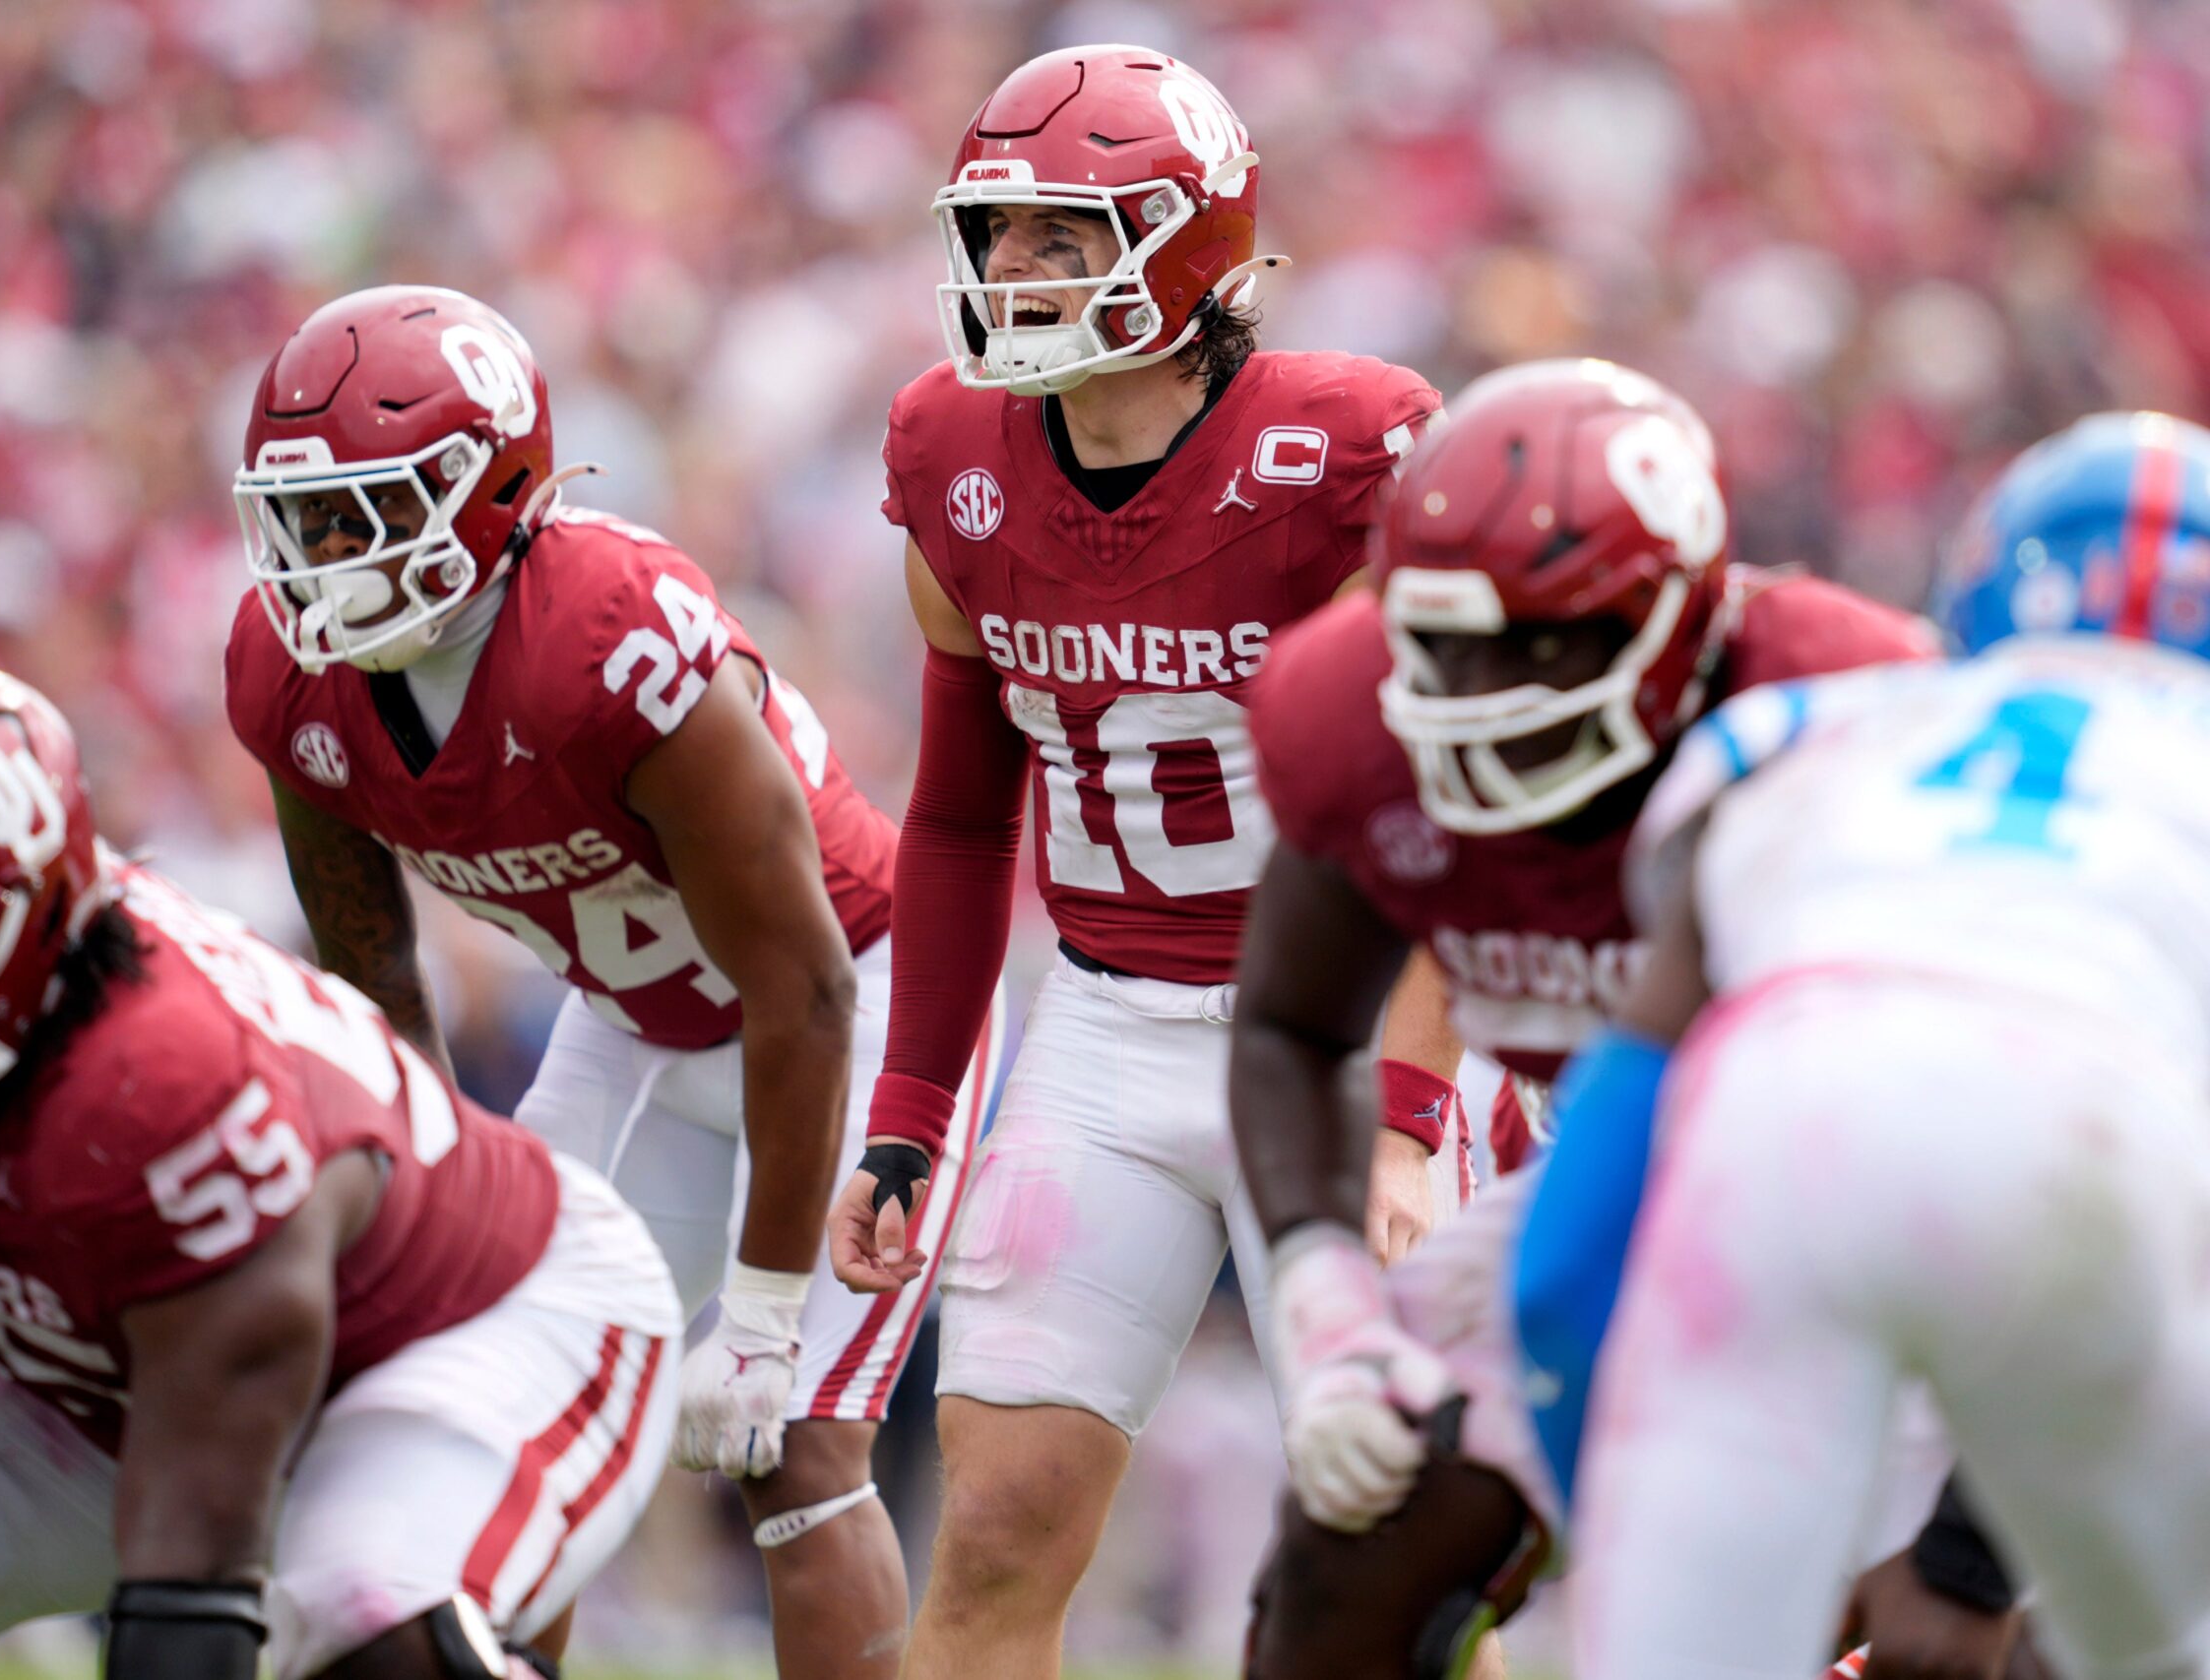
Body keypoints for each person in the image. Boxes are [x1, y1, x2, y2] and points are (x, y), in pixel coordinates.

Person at [221, 284, 990, 1680]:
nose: (326, 556)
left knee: (796, 1445)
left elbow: (805, 978)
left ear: (493, 490)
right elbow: (374, 970)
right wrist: (431, 1212)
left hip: (859, 1005)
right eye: (307, 516)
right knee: (503, 1418)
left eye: (369, 510)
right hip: (635, 1027)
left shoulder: (612, 642)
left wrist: (757, 1314)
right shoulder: (290, 677)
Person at [819, 44, 1457, 1680]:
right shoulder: (953, 456)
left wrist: (1401, 1114)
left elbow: (1445, 809)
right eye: (1000, 232)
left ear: (1188, 242)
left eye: (1062, 234)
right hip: (1106, 1026)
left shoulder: (1342, 454)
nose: (1013, 272)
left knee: (1394, 1563)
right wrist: (907, 1121)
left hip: (1331, 1027)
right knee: (998, 1526)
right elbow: (963, 815)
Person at [0, 661, 681, 1680]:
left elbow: (183, 1622)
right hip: (109, 1360)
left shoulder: (171, 1091)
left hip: (469, 1324)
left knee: (363, 1621)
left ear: (20, 937)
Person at [1231, 359, 1946, 1678]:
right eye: (1444, 637)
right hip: (1623, 1184)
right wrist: (1326, 1299)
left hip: (1904, 1210)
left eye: (1534, 638)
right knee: (1345, 1551)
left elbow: (2011, 1113)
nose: (1479, 687)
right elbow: (1291, 1022)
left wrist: (1972, 1533)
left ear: (1672, 623)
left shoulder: (1852, 719)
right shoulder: (1358, 714)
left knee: (1945, 1632)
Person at [1533, 408, 2210, 1680]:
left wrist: (1615, 1486)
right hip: (2096, 1138)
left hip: (1779, 1121)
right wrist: (1971, 1561)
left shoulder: (1812, 733)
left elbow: (1577, 1229)